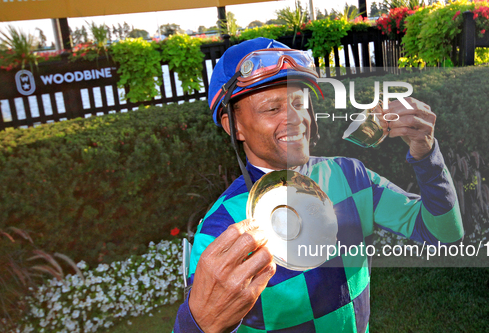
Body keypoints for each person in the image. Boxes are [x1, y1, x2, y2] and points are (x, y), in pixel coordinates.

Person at [173, 37, 463, 333]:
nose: (296, 118)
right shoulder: (220, 227)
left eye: (299, 103)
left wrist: (426, 154)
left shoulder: (350, 175)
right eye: (272, 108)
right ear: (234, 126)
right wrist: (198, 323)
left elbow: (444, 234)